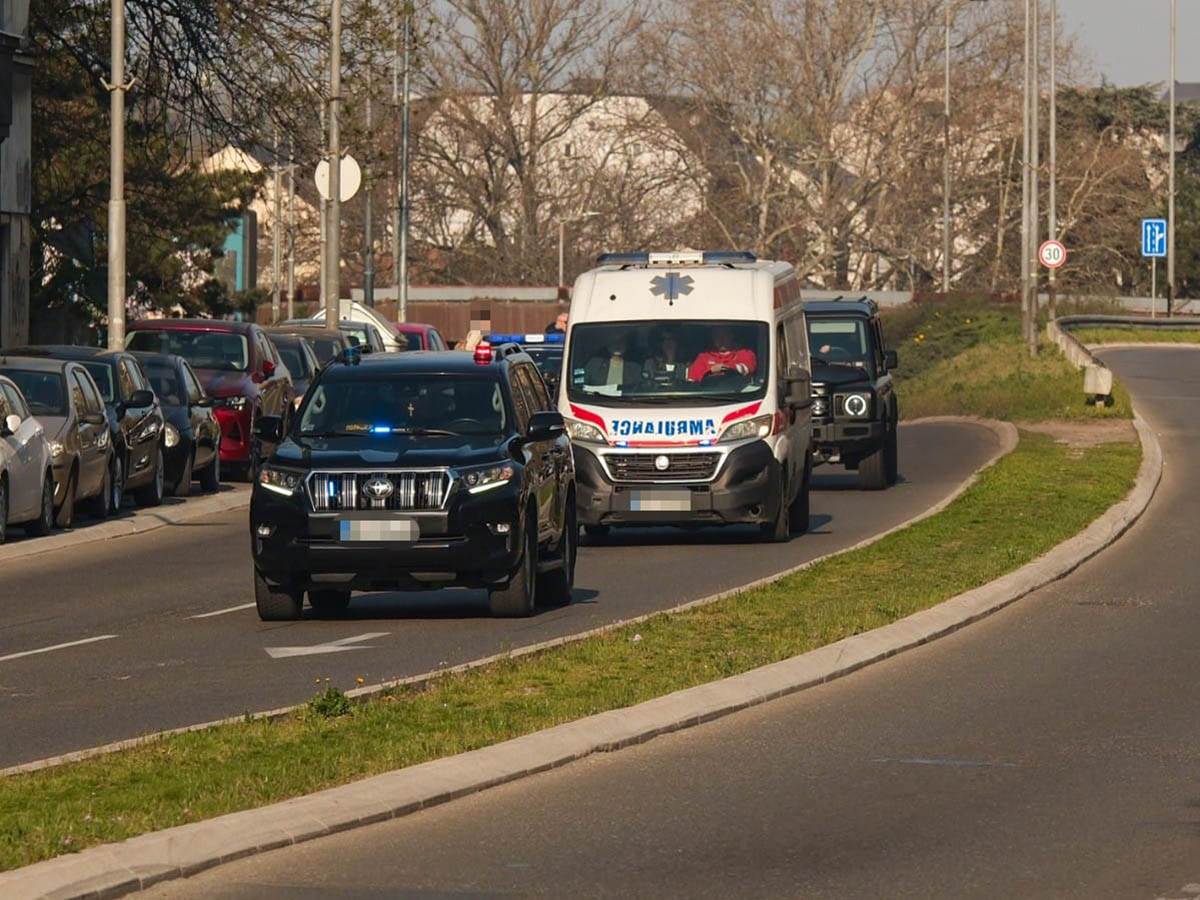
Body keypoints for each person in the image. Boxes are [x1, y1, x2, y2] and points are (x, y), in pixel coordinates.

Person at [687, 325, 757, 382]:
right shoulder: (704, 357)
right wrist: (710, 371)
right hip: (709, 393)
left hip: (739, 394)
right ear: (713, 338)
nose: (721, 339)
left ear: (731, 336)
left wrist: (725, 368)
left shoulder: (744, 353)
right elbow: (692, 378)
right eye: (717, 336)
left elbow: (746, 368)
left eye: (725, 335)